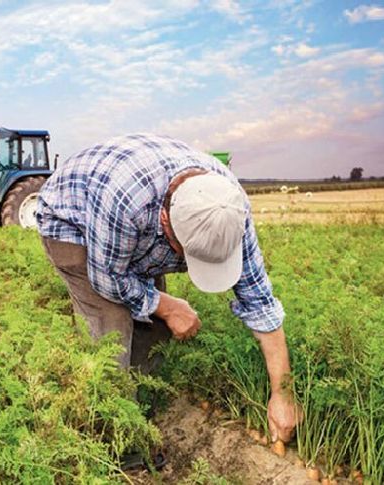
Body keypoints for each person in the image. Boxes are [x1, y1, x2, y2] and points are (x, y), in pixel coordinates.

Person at [36, 133, 299, 447]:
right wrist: (168, 305)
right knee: (112, 331)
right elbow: (109, 279)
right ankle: (116, 439)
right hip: (72, 222)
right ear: (165, 221)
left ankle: (143, 407)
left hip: (132, 227)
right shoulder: (127, 202)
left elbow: (260, 303)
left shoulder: (228, 208)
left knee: (154, 328)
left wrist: (282, 395)